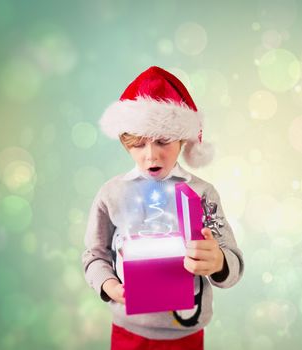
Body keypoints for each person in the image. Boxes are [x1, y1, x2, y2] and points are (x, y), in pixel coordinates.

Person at [82, 66, 244, 350]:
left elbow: (234, 265)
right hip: (128, 331)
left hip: (186, 334)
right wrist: (109, 286)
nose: (151, 155)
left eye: (163, 141)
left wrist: (217, 261)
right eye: (139, 144)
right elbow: (93, 256)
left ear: (182, 138)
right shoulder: (111, 195)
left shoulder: (203, 194)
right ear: (125, 142)